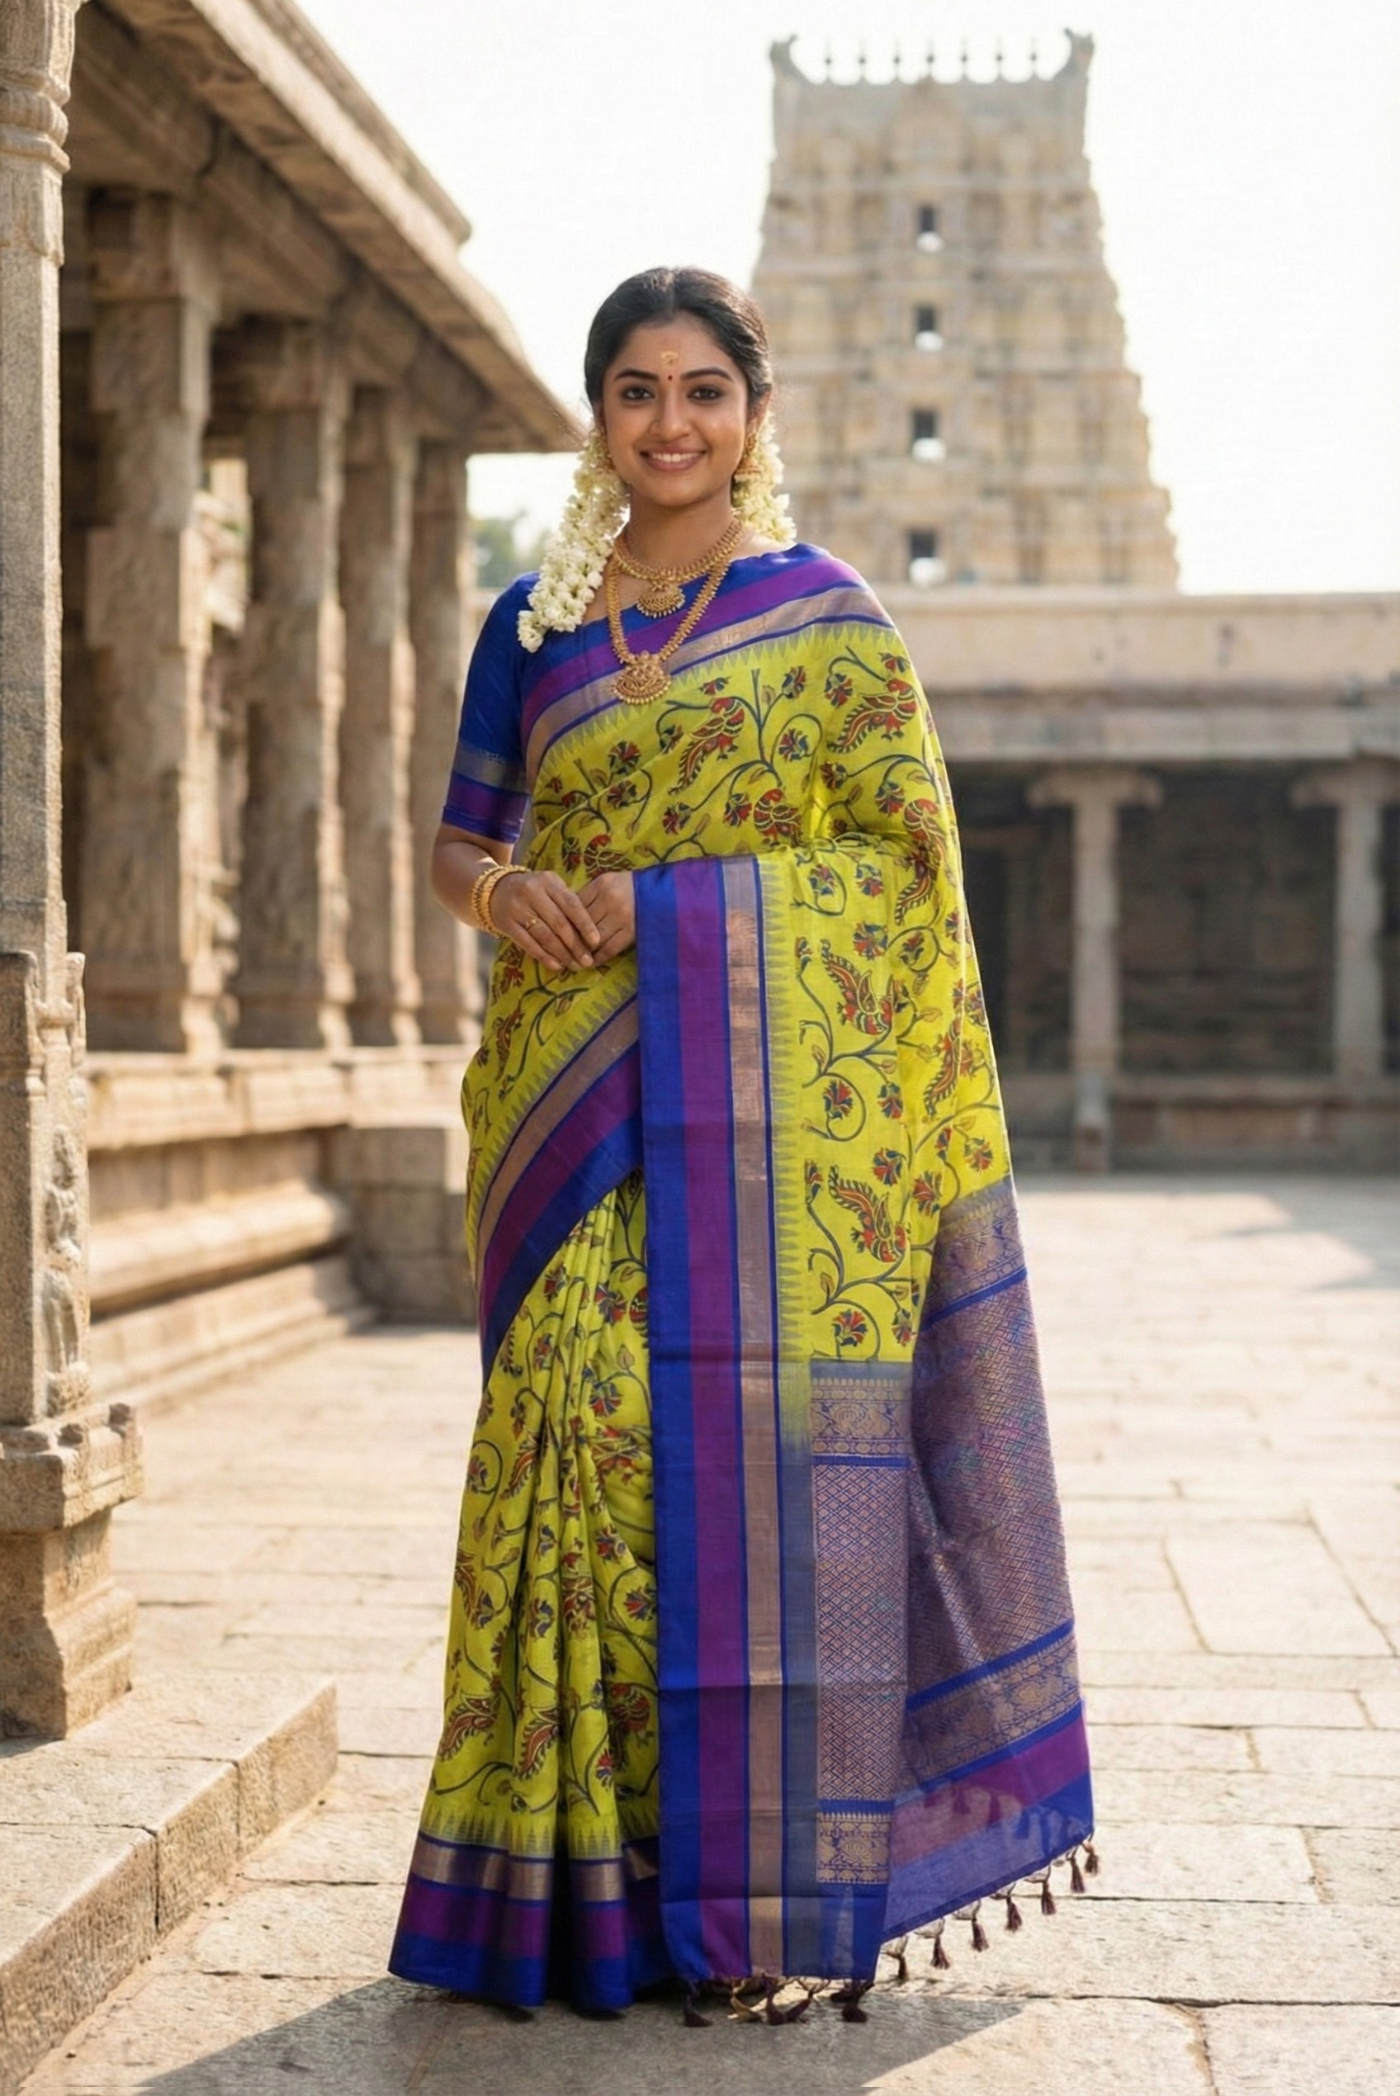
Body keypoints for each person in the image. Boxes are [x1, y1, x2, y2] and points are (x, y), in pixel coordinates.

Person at [389, 266, 1094, 2021]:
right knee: (560, 1443)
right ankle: (566, 1894)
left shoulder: (831, 621)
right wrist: (521, 894)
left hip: (774, 1151)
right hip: (569, 1105)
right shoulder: (530, 628)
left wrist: (664, 910)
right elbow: (456, 848)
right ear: (600, 414)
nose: (672, 424)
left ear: (754, 416)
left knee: (707, 1474)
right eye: (637, 390)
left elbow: (904, 880)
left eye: (705, 390)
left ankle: (736, 1898)